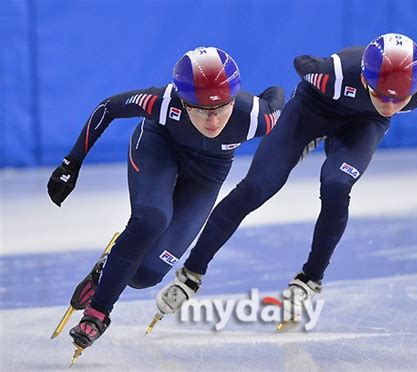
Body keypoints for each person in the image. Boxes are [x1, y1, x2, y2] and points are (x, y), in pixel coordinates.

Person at [155, 33, 417, 327]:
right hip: (312, 111)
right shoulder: (333, 74)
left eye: (400, 99)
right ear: (364, 78)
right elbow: (302, 63)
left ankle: (310, 278)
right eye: (381, 95)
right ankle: (192, 273)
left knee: (337, 185)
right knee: (256, 187)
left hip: (364, 124)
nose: (390, 105)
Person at [47, 46, 284, 348]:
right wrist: (71, 163)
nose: (212, 121)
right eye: (199, 109)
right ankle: (97, 314)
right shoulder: (161, 102)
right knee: (153, 218)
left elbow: (277, 93)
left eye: (221, 108)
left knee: (145, 275)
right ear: (183, 102)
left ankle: (107, 268)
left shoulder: (256, 118)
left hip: (209, 170)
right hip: (159, 148)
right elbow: (108, 107)